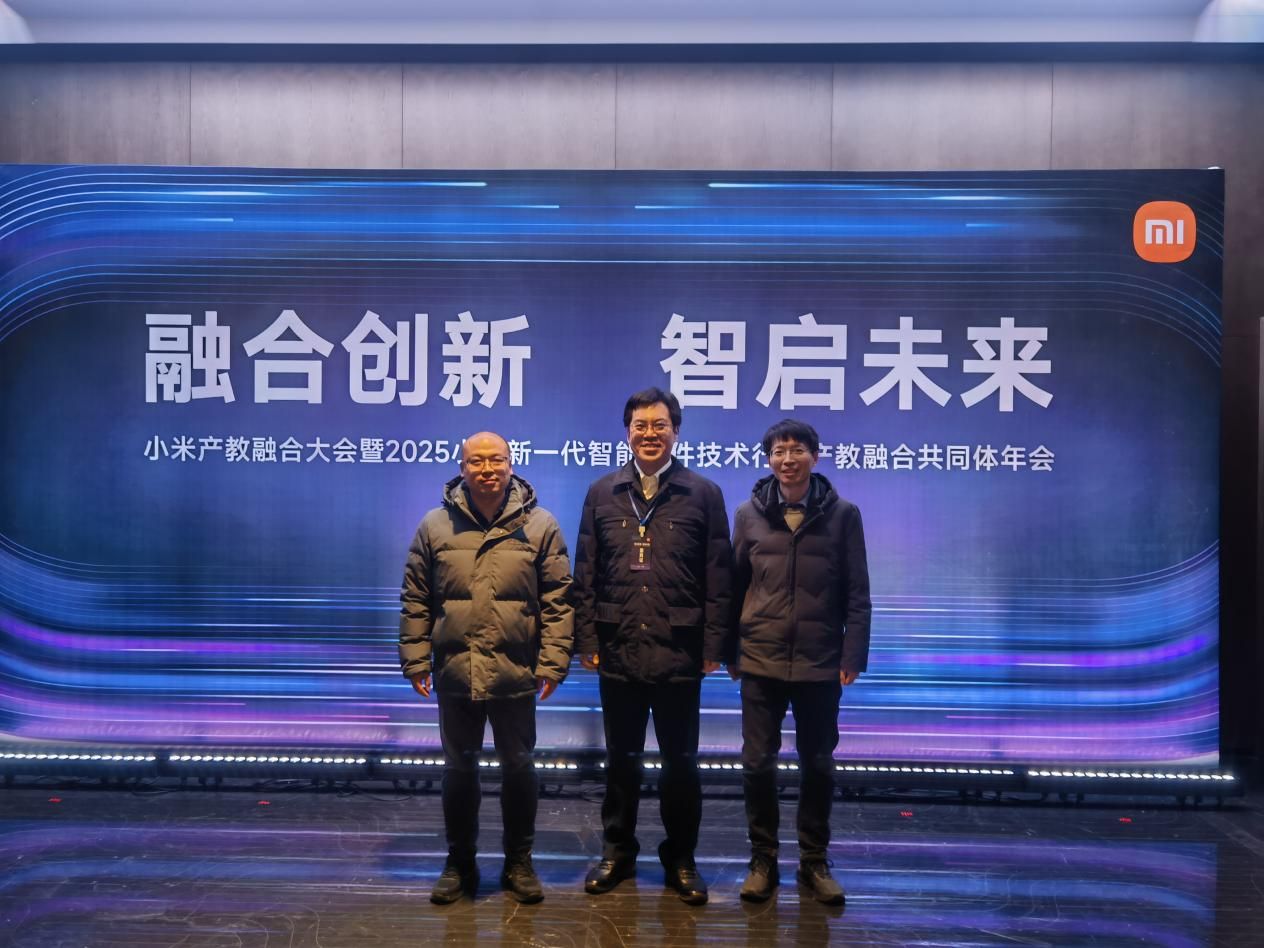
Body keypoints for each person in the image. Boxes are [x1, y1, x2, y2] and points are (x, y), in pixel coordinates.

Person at [572, 387, 733, 905]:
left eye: (659, 425)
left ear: (675, 432)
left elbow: (719, 578)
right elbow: (586, 572)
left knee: (680, 764)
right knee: (621, 761)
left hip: (679, 651)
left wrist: (714, 645)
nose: (649, 434)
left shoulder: (703, 493)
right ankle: (617, 852)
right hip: (617, 646)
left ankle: (681, 858)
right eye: (640, 425)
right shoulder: (602, 492)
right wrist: (586, 638)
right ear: (627, 433)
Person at [399, 431, 574, 905]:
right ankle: (460, 862)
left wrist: (553, 662)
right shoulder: (435, 525)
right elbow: (416, 598)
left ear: (511, 464)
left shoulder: (540, 525)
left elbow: (559, 601)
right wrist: (415, 659)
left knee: (519, 767)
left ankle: (519, 861)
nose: (487, 469)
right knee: (459, 769)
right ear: (462, 468)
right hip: (455, 669)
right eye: (476, 462)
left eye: (496, 460)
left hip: (517, 670)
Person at [729, 419, 871, 906]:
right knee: (757, 764)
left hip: (820, 661)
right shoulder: (748, 514)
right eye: (778, 451)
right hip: (760, 658)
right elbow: (734, 587)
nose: (787, 459)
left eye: (797, 450)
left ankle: (814, 860)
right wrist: (730, 651)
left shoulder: (843, 515)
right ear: (768, 459)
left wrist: (853, 654)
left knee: (818, 764)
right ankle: (762, 859)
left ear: (815, 456)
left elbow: (858, 592)